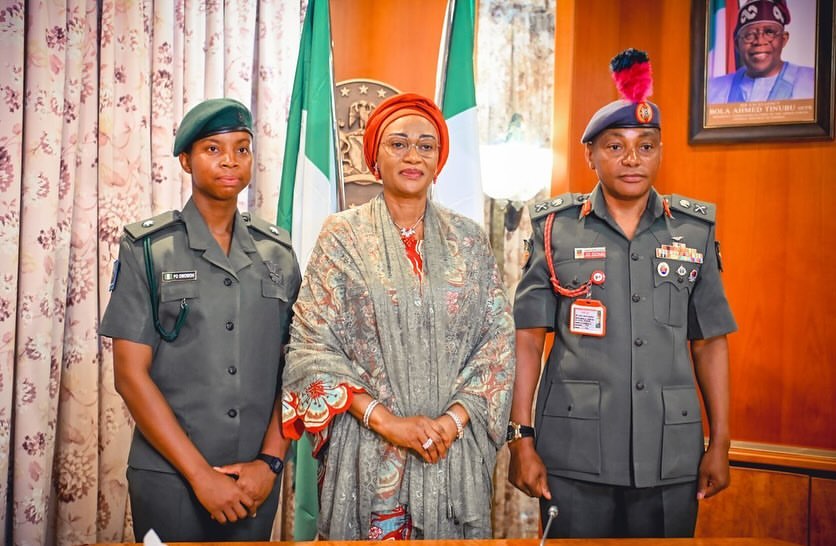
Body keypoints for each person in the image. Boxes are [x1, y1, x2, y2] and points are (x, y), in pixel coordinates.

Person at [509, 49, 737, 538]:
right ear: (589, 154)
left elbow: (709, 342)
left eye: (646, 146)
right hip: (574, 455)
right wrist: (520, 439)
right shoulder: (555, 230)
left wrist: (719, 441)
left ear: (660, 152)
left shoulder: (694, 232)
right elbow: (527, 340)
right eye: (615, 146)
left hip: (669, 457)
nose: (632, 159)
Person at [281, 93, 515, 540]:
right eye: (399, 144)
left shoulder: (469, 240)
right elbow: (311, 348)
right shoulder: (341, 236)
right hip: (368, 453)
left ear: (439, 160)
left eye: (426, 146)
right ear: (375, 157)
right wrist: (387, 422)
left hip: (452, 451)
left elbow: (496, 344)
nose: (413, 156)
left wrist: (452, 421)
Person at [100, 98, 300, 542]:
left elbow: (297, 371)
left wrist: (270, 462)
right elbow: (130, 377)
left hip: (255, 482)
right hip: (169, 479)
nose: (230, 160)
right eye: (213, 148)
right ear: (186, 160)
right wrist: (201, 477)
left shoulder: (279, 254)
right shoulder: (148, 249)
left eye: (242, 148)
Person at [708, 0, 814, 103]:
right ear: (737, 45)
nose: (759, 41)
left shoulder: (813, 82)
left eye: (769, 32)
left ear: (783, 39)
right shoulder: (712, 91)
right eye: (749, 35)